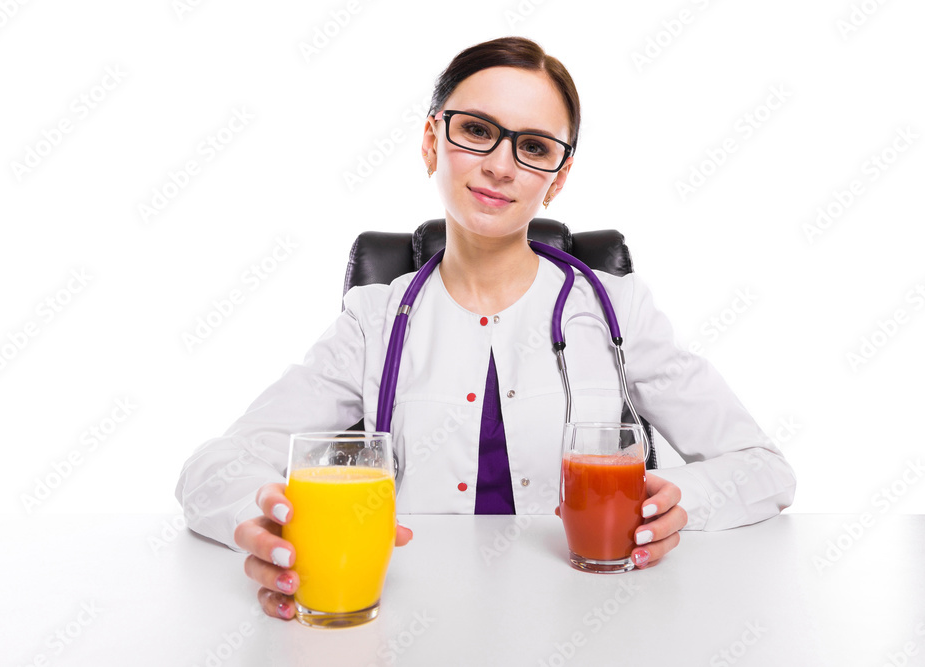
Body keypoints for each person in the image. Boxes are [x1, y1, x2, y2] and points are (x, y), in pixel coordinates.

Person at [175, 36, 797, 622]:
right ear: (430, 142)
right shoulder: (374, 320)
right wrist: (268, 517)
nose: (501, 166)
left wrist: (674, 505)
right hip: (414, 621)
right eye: (475, 131)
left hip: (590, 619)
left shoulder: (616, 309)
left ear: (558, 175)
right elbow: (213, 466)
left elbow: (764, 469)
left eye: (533, 146)